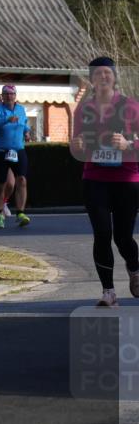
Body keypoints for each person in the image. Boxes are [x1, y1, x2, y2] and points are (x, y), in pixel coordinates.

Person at [70, 56, 139, 307]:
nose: (103, 77)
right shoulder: (83, 109)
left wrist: (128, 144)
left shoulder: (131, 106)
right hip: (95, 177)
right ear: (92, 79)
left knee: (123, 237)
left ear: (114, 76)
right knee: (102, 234)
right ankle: (108, 292)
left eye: (107, 73)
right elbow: (77, 146)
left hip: (127, 178)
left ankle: (135, 270)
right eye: (97, 73)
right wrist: (75, 145)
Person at [0, 84, 32, 228]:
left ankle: (20, 213)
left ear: (15, 96)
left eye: (11, 94)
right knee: (1, 184)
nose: (9, 96)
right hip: (1, 151)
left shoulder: (21, 109)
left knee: (22, 180)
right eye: (6, 94)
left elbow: (24, 122)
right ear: (2, 96)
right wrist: (6, 120)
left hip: (18, 149)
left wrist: (27, 132)